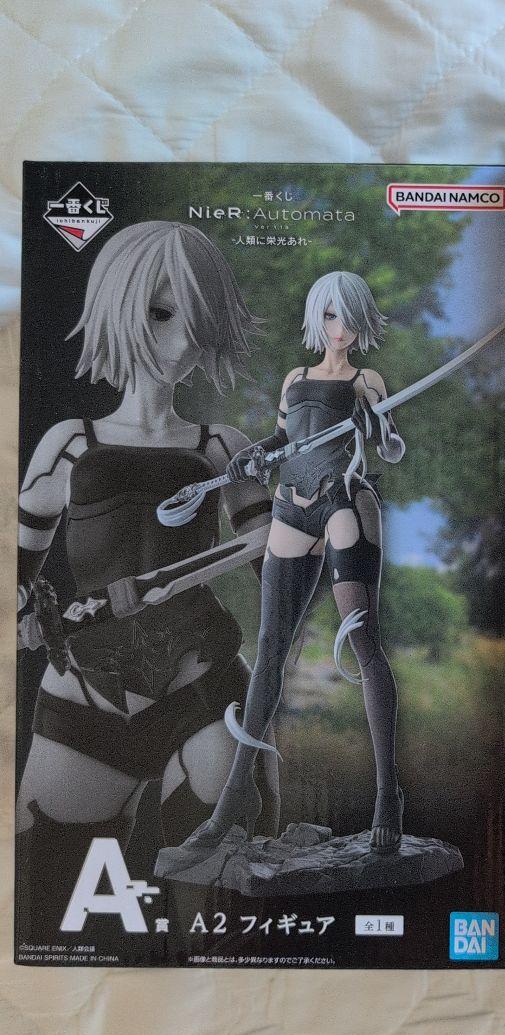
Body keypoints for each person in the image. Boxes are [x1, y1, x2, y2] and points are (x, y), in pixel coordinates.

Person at [15, 221, 275, 897]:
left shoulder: (223, 446)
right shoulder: (71, 443)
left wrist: (320, 506)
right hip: (86, 694)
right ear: (119, 305)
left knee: (224, 905)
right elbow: (20, 560)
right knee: (51, 900)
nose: (182, 341)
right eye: (162, 315)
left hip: (206, 690)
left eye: (198, 322)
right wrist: (20, 610)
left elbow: (279, 570)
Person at [159, 269, 406, 872]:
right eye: (331, 315)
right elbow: (279, 441)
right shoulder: (295, 380)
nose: (340, 328)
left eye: (349, 317)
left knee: (365, 645)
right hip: (291, 506)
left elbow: (393, 447)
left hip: (343, 502)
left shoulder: (366, 381)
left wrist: (377, 428)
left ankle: (387, 798)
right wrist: (253, 457)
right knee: (268, 652)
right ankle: (229, 807)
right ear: (317, 318)